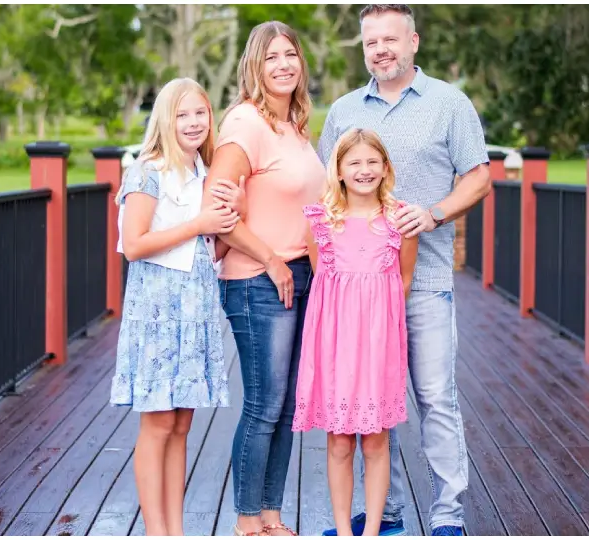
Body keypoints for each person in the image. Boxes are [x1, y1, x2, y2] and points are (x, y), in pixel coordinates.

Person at [317, 5, 491, 537]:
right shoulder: (345, 111)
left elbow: (479, 177)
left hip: (426, 282)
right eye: (371, 43)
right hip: (358, 293)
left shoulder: (448, 104)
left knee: (435, 397)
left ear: (413, 41)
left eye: (391, 39)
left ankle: (447, 516)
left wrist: (434, 212)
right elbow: (326, 193)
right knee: (373, 399)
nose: (381, 50)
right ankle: (382, 514)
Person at [200, 21, 327, 537]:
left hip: (299, 276)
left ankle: (273, 515)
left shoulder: (293, 126)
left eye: (291, 54)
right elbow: (216, 209)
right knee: (264, 403)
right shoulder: (246, 123)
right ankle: (248, 521)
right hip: (257, 280)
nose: (283, 64)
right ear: (255, 65)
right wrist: (272, 259)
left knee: (288, 404)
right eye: (272, 56)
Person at [110, 77, 246, 537]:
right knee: (159, 421)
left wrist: (230, 218)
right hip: (158, 307)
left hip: (196, 306)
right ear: (165, 120)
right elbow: (134, 245)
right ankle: (155, 531)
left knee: (182, 422)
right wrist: (198, 223)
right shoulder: (148, 171)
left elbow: (213, 252)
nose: (192, 122)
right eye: (181, 114)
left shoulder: (206, 174)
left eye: (200, 113)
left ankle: (176, 529)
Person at [292, 128, 417, 536]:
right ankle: (344, 531)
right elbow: (322, 279)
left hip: (379, 346)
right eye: (354, 163)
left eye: (371, 162)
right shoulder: (321, 222)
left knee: (377, 440)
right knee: (340, 441)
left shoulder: (400, 221)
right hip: (335, 346)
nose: (364, 170)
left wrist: (378, 331)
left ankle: (373, 529)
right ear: (339, 171)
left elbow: (403, 280)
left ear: (385, 168)